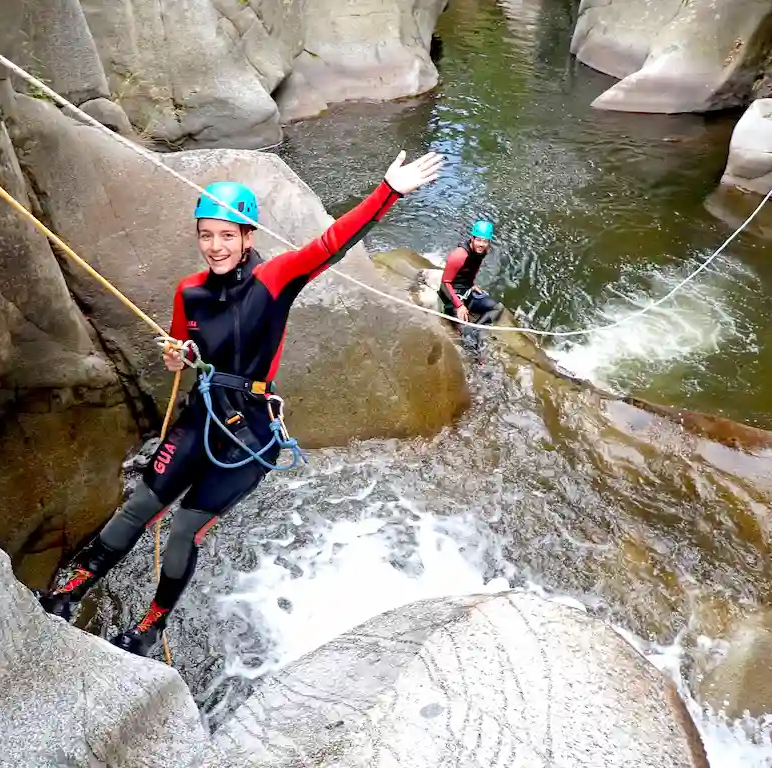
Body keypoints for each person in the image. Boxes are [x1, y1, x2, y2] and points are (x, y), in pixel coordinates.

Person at [38, 149, 444, 656]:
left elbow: (331, 243)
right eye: (206, 234)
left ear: (249, 237)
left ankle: (150, 628)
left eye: (228, 235)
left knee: (185, 526)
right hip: (200, 416)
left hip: (248, 435)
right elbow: (181, 348)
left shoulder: (275, 280)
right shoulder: (190, 292)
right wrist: (176, 356)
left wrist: (389, 190)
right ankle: (70, 592)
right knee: (141, 504)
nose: (216, 246)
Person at [438, 219, 504, 330]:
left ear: (489, 242)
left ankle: (476, 328)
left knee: (498, 308)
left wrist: (471, 284)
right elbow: (445, 283)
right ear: (472, 239)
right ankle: (468, 331)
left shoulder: (483, 251)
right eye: (478, 240)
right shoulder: (459, 255)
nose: (482, 245)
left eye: (485, 241)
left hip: (467, 292)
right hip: (451, 296)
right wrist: (459, 305)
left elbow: (472, 269)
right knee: (464, 332)